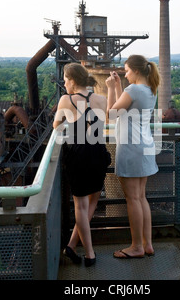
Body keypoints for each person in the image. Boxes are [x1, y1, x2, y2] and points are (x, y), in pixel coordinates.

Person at [53, 62, 111, 267]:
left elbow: (56, 126)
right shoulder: (101, 99)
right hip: (98, 152)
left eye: (65, 80)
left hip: (77, 153)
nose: (64, 83)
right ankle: (71, 245)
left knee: (80, 204)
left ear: (73, 80)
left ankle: (89, 254)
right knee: (93, 198)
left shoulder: (66, 99)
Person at [105, 55, 159, 259]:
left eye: (126, 71)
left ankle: (136, 247)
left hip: (131, 148)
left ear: (136, 71)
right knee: (141, 197)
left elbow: (112, 115)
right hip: (144, 146)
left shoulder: (134, 90)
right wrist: (119, 87)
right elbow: (126, 109)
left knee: (132, 199)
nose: (125, 74)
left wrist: (110, 88)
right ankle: (147, 244)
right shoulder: (149, 89)